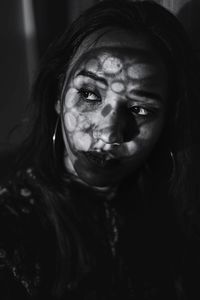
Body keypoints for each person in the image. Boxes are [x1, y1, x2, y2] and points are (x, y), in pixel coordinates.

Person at [1, 0, 200, 299]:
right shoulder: (13, 234)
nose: (108, 134)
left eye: (141, 110)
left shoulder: (178, 209)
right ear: (58, 93)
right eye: (89, 94)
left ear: (169, 122)